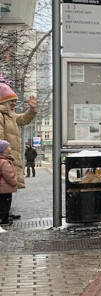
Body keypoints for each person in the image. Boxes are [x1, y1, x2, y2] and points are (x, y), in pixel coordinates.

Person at [0, 83, 37, 219]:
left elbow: (23, 119)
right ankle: (3, 213)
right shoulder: (1, 115)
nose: (14, 103)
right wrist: (3, 153)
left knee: (6, 186)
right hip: (4, 156)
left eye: (15, 101)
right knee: (3, 186)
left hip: (7, 156)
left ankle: (6, 212)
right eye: (12, 101)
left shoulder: (9, 115)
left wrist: (31, 109)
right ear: (4, 101)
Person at [0, 140, 18, 226]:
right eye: (8, 147)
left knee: (3, 203)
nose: (10, 149)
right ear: (3, 150)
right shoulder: (4, 162)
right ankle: (4, 220)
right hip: (4, 187)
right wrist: (14, 182)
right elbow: (8, 175)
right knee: (5, 204)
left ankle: (4, 218)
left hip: (2, 187)